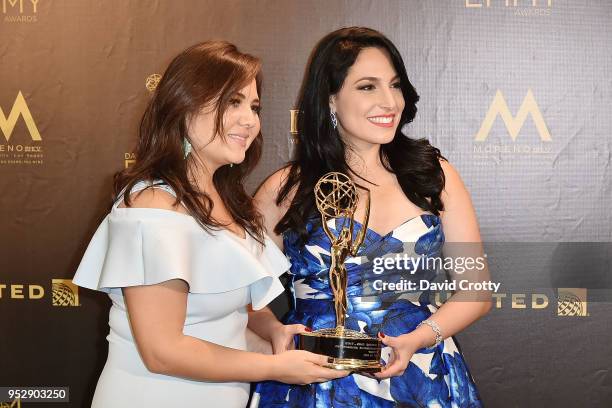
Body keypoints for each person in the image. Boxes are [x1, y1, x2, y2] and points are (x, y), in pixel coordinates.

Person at [72, 40, 347, 408]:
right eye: (232, 102)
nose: (249, 119)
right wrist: (276, 368)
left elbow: (229, 319)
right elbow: (163, 351)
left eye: (254, 106)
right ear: (184, 106)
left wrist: (274, 334)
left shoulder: (229, 201)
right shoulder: (153, 204)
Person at [251, 27, 492, 407]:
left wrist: (420, 336)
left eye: (394, 86)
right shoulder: (287, 189)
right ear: (330, 100)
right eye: (367, 87)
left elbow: (475, 290)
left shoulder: (434, 175)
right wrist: (274, 330)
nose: (389, 101)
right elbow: (240, 295)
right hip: (315, 381)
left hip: (422, 373)